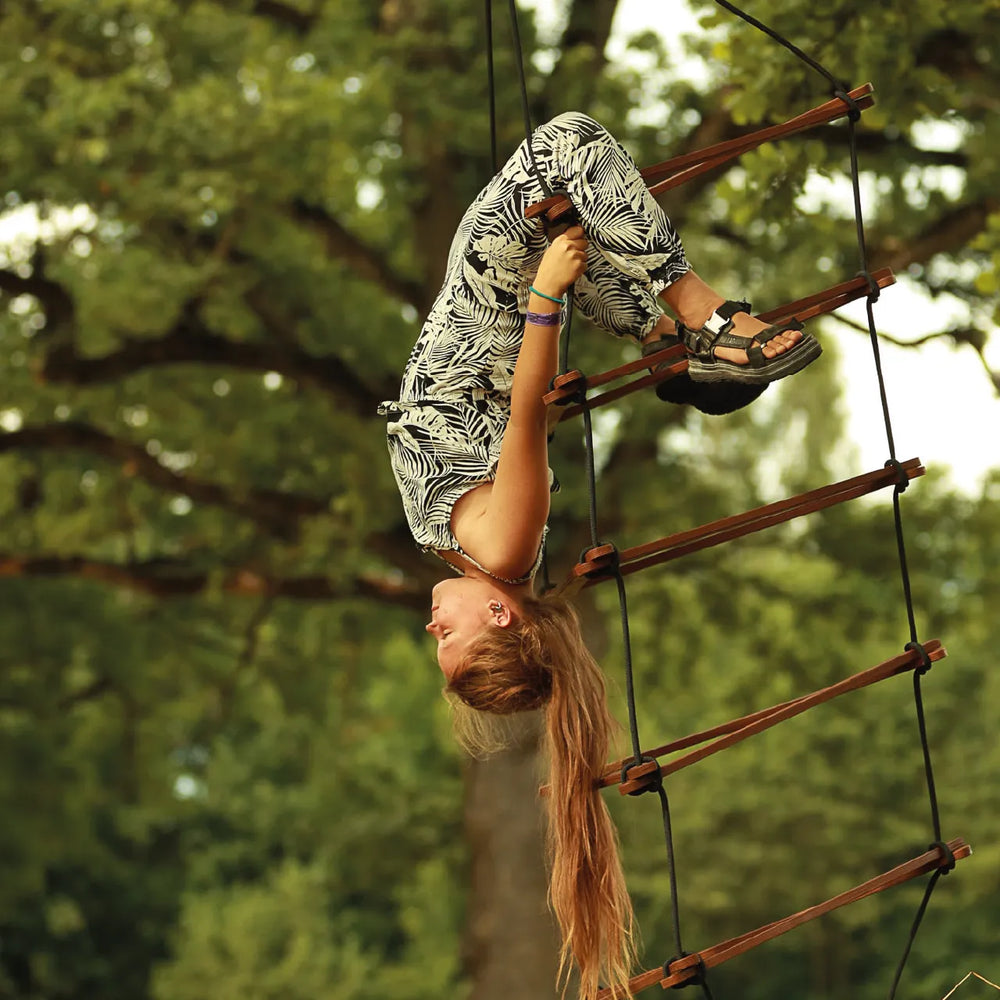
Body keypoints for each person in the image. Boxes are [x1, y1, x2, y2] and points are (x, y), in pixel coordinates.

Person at [379, 112, 820, 999]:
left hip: (495, 314)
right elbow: (527, 415)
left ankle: (666, 351)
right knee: (567, 144)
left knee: (574, 218)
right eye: (448, 638)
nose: (432, 623)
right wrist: (543, 295)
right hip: (499, 300)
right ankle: (707, 318)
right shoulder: (500, 546)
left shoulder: (472, 554)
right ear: (500, 616)